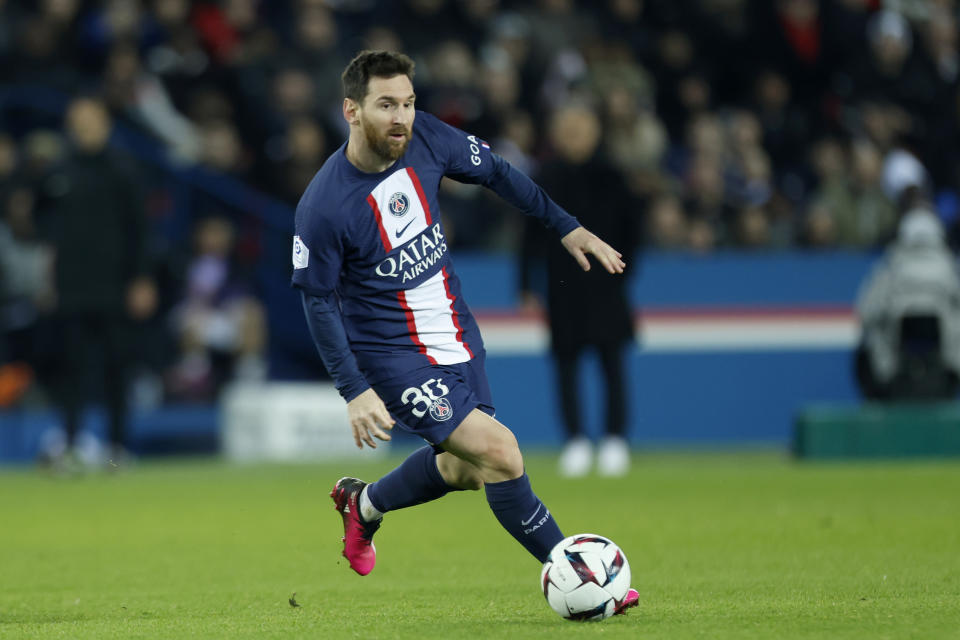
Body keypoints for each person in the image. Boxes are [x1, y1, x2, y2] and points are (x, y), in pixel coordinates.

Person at [292, 51, 638, 611]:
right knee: (501, 453)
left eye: (407, 102)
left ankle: (364, 506)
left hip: (455, 334)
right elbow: (317, 301)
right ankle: (580, 576)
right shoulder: (323, 207)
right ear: (351, 111)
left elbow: (498, 172)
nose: (401, 116)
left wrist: (566, 227)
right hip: (392, 355)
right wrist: (355, 389)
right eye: (386, 106)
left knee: (466, 469)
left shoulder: (428, 138)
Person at [519, 105, 638, 477]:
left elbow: (633, 231)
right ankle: (576, 442)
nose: (574, 137)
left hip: (606, 287)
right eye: (566, 130)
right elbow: (529, 237)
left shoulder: (614, 175)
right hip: (562, 288)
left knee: (612, 364)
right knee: (565, 367)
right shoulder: (545, 177)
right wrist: (525, 284)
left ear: (595, 132)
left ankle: (615, 441)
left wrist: (621, 274)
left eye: (581, 129)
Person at [43, 96, 157, 467]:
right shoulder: (58, 171)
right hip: (71, 285)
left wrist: (141, 279)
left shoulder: (123, 169)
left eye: (91, 120)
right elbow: (47, 231)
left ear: (105, 124)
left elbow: (140, 229)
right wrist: (49, 279)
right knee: (70, 369)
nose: (84, 128)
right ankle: (71, 445)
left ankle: (116, 448)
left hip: (115, 285)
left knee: (116, 368)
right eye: (78, 121)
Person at [855, 205, 960, 400]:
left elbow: (866, 312)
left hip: (891, 372)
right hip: (946, 372)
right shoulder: (950, 268)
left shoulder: (889, 266)